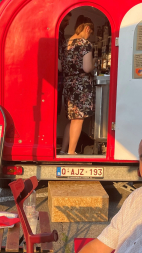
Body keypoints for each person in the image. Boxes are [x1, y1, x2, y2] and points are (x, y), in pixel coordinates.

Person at [59, 16, 95, 155]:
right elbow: (86, 68)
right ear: (87, 28)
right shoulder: (85, 44)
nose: (89, 34)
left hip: (68, 83)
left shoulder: (65, 43)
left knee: (72, 118)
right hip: (81, 84)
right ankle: (71, 151)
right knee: (78, 119)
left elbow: (60, 67)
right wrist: (94, 63)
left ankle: (63, 150)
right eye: (90, 32)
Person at [58, 12, 72, 116]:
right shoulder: (57, 34)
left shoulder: (61, 33)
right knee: (55, 107)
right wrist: (61, 67)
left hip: (60, 75)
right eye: (66, 21)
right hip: (57, 75)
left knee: (57, 107)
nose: (67, 23)